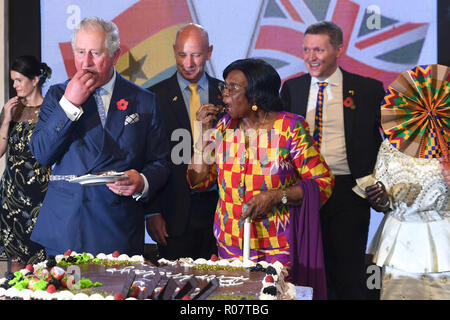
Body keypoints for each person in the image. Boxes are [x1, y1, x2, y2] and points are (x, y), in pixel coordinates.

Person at [187, 58, 334, 299]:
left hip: (276, 246)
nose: (224, 94)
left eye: (232, 88)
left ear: (255, 94)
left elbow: (322, 183)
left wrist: (276, 196)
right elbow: (198, 181)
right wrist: (203, 133)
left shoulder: (289, 129)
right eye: (224, 87)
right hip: (230, 242)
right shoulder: (224, 127)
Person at [29, 17, 169, 257]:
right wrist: (69, 104)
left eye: (95, 53)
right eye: (80, 52)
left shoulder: (144, 100)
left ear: (115, 55)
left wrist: (142, 182)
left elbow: (161, 162)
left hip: (117, 228)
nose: (86, 62)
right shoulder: (58, 95)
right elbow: (42, 153)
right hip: (67, 227)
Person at [280, 21, 385, 299]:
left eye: (318, 50)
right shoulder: (292, 88)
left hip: (348, 192)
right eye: (306, 50)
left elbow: (385, 143)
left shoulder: (368, 89)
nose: (310, 57)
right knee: (307, 272)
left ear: (339, 49)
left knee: (348, 273)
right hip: (304, 191)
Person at [145, 24, 221, 260]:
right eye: (182, 54)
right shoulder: (153, 96)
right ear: (174, 51)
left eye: (196, 55)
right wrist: (152, 212)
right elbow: (147, 157)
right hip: (173, 212)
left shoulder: (227, 95)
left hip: (221, 212)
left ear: (209, 52)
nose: (188, 63)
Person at [365, 140, 449, 300]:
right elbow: (384, 203)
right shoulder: (390, 146)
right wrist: (381, 200)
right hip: (398, 242)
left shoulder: (446, 139)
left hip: (443, 243)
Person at [0, 56, 52, 271]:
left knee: (41, 264)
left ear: (35, 80)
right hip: (12, 196)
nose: (15, 86)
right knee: (16, 263)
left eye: (19, 80)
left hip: (41, 196)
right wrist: (6, 120)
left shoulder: (50, 110)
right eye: (13, 80)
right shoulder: (13, 109)